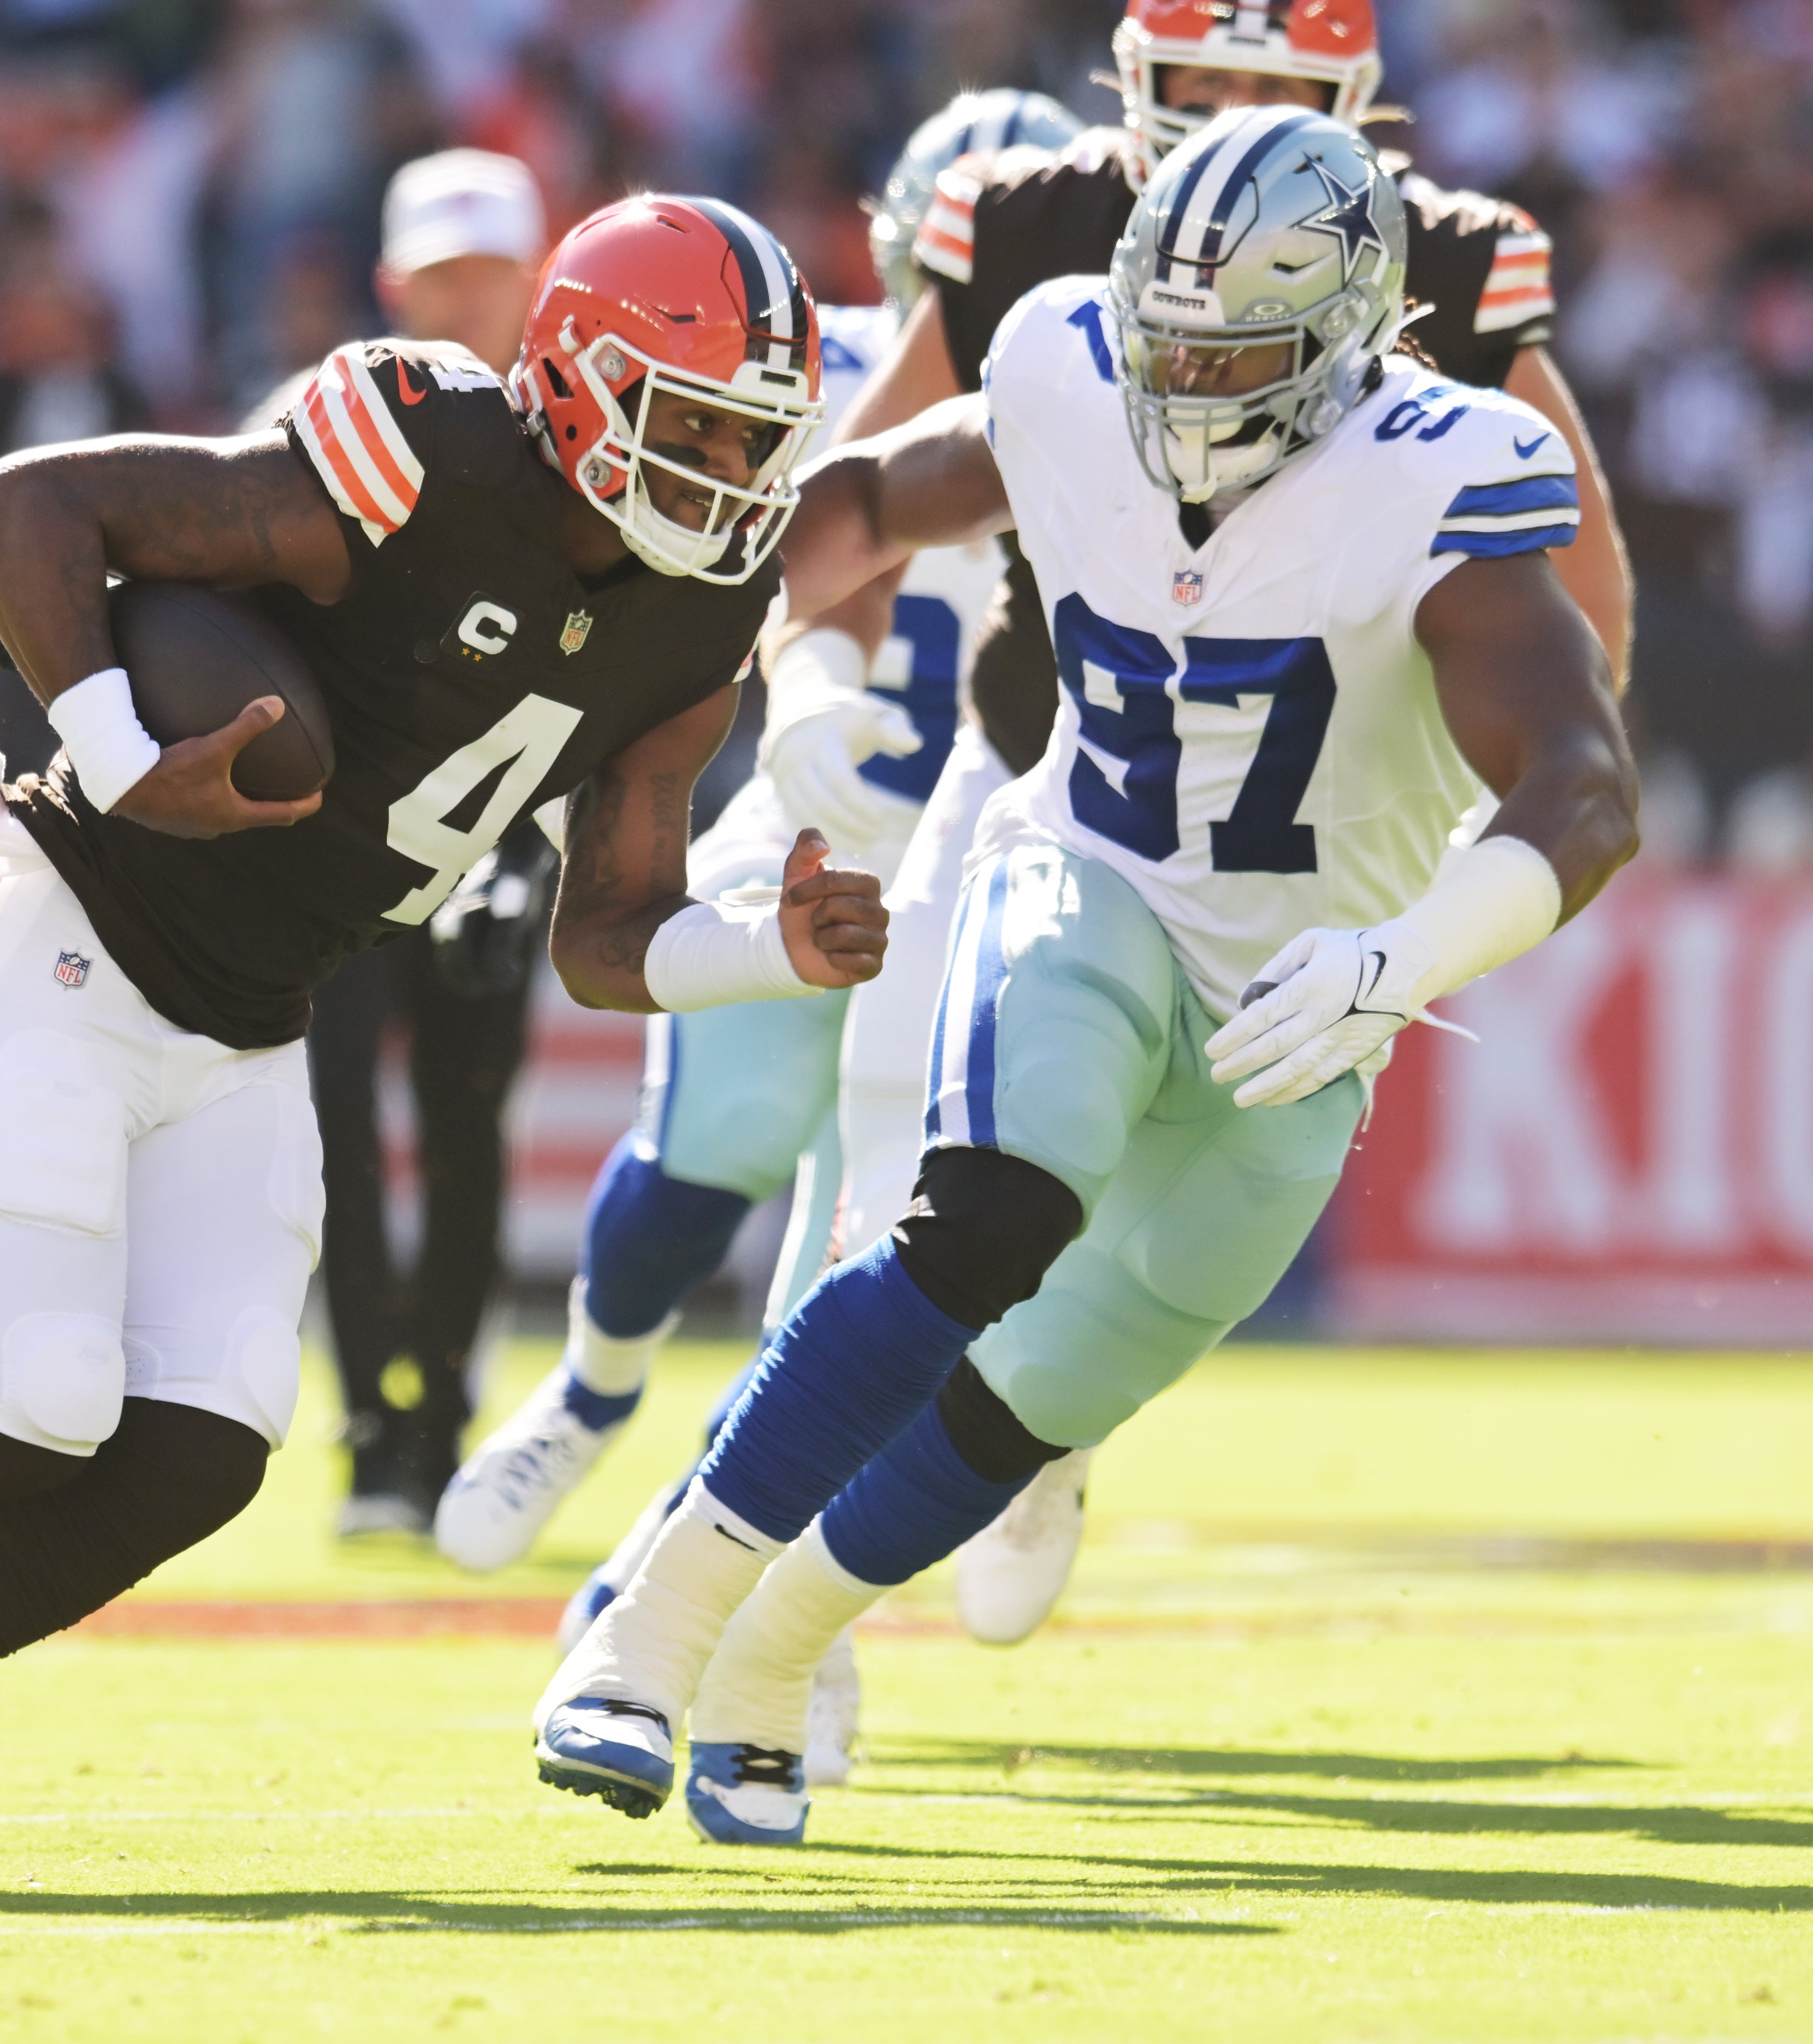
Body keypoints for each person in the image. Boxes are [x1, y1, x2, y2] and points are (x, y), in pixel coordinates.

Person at [0, 192, 889, 1897]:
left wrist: (758, 949)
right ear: (573, 382)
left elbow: (598, 939)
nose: (725, 469)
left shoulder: (695, 621)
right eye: (696, 420)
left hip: (253, 1024)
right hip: (63, 930)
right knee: (15, 1421)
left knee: (194, 1454)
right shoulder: (425, 451)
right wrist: (118, 748)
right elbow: (31, 508)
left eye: (753, 435)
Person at [532, 110, 1639, 1850]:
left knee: (1043, 1391)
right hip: (1093, 878)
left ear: (1347, 330)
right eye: (1160, 331)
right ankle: (644, 1642)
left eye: (1229, 346)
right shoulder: (1064, 356)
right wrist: (763, 667)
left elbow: (1581, 789)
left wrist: (1399, 953)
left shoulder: (1443, 463)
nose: (1179, 376)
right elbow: (861, 501)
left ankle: (770, 1665)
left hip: (1311, 994)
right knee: (979, 1218)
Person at [803, 0, 1635, 1649]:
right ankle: (766, 1562)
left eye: (1277, 92)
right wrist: (811, 677)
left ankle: (1033, 1430)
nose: (1234, 119)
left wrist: (1540, 787)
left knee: (1139, 1195)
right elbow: (860, 484)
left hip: (1291, 828)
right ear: (1131, 87)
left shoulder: (1447, 269)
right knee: (885, 1137)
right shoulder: (1034, 226)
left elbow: (1577, 589)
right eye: (1202, 88)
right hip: (1043, 758)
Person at [432, 92, 1083, 1595]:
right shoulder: (815, 365)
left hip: (1005, 844)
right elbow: (764, 548)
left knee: (899, 1197)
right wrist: (804, 696)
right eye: (945, 263)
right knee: (710, 1142)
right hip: (817, 800)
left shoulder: (1119, 410)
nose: (961, 304)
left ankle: (1009, 1439)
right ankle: (589, 1388)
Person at [297, 146, 557, 1535]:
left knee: (464, 1135)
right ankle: (367, 1433)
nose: (464, 302)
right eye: (443, 277)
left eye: (488, 275)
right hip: (334, 840)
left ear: (534, 279)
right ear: (396, 283)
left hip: (498, 830)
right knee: (333, 1140)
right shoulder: (320, 420)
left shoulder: (581, 435)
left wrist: (537, 840)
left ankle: (441, 1422)